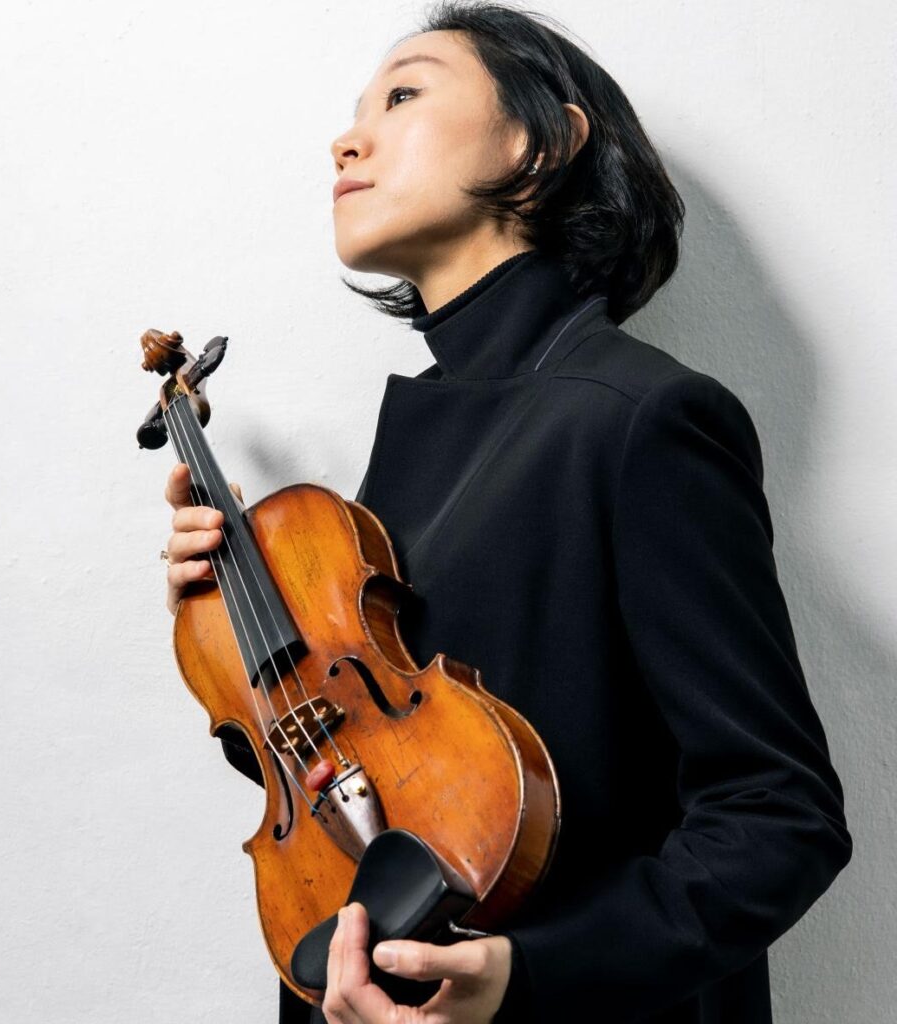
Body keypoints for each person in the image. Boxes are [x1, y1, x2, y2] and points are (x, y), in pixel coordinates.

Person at [160, 4, 853, 1022]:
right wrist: (238, 631)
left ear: (539, 145)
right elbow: (377, 775)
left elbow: (778, 816)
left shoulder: (639, 419)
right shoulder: (400, 461)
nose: (347, 139)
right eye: (355, 111)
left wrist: (527, 973)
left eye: (403, 95)